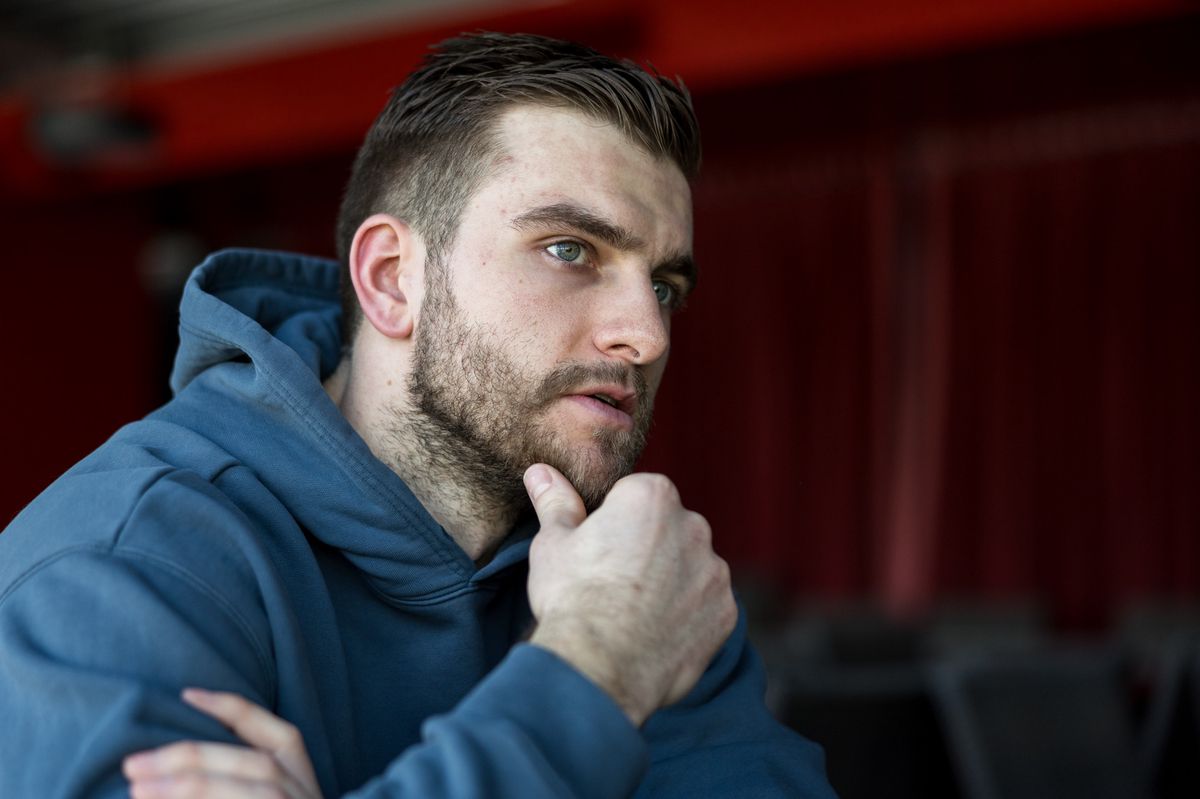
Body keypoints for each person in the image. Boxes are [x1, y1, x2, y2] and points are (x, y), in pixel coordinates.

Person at [0, 32, 836, 798]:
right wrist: (593, 669)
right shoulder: (121, 564)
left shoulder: (627, 572)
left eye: (665, 285)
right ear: (392, 279)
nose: (647, 334)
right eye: (570, 250)